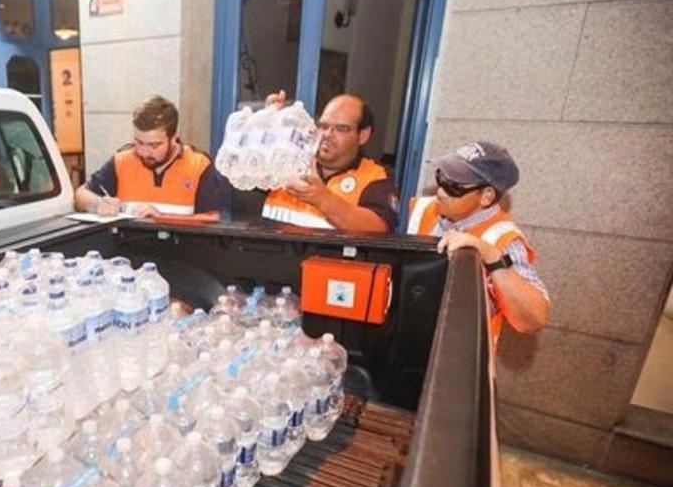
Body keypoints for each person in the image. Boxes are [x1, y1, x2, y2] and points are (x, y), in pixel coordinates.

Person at [407, 141, 550, 344]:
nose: (440, 191)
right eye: (440, 177)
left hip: (460, 354)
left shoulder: (502, 239)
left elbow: (534, 319)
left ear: (486, 197)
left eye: (453, 187)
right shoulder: (423, 208)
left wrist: (492, 258)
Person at [74, 96, 230, 220]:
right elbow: (81, 194)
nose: (143, 152)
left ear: (174, 137)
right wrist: (97, 204)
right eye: (139, 142)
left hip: (183, 253)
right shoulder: (122, 160)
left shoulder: (198, 164)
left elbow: (212, 218)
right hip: (127, 252)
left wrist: (162, 218)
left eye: (154, 145)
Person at [260, 91, 397, 232]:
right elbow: (246, 170)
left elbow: (378, 229)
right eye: (323, 126)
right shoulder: (290, 160)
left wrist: (323, 199)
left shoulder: (375, 176)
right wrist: (268, 125)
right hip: (272, 252)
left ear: (363, 135)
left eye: (341, 129)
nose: (327, 134)